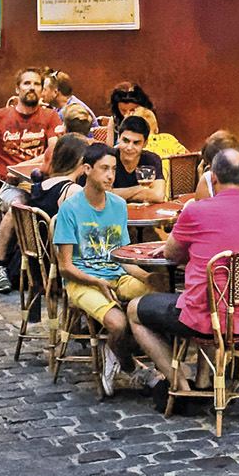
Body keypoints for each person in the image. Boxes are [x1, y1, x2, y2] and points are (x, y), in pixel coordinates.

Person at [126, 148, 239, 404]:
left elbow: (172, 255)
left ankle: (180, 386)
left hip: (206, 317)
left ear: (213, 177)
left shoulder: (196, 210)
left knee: (134, 309)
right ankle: (203, 383)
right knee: (212, 295)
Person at [52, 144, 150, 396]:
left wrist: (145, 276)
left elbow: (122, 256)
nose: (110, 175)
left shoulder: (117, 205)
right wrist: (97, 283)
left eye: (113, 169)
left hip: (116, 275)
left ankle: (117, 350)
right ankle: (129, 366)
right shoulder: (70, 209)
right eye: (104, 169)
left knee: (158, 295)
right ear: (87, 169)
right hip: (83, 280)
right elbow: (65, 267)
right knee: (118, 324)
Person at [0, 70, 64, 294]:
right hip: (10, 185)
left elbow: (53, 150)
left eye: (37, 84)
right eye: (26, 83)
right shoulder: (0, 117)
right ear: (17, 89)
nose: (31, 87)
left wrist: (26, 167)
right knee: (18, 208)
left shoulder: (50, 117)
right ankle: (0, 265)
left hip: (42, 184)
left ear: (42, 90)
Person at [111, 117, 164, 195]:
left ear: (145, 143)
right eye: (126, 141)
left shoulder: (152, 159)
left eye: (136, 143)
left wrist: (117, 194)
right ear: (118, 138)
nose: (129, 147)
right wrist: (141, 188)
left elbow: (158, 195)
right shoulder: (108, 158)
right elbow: (103, 195)